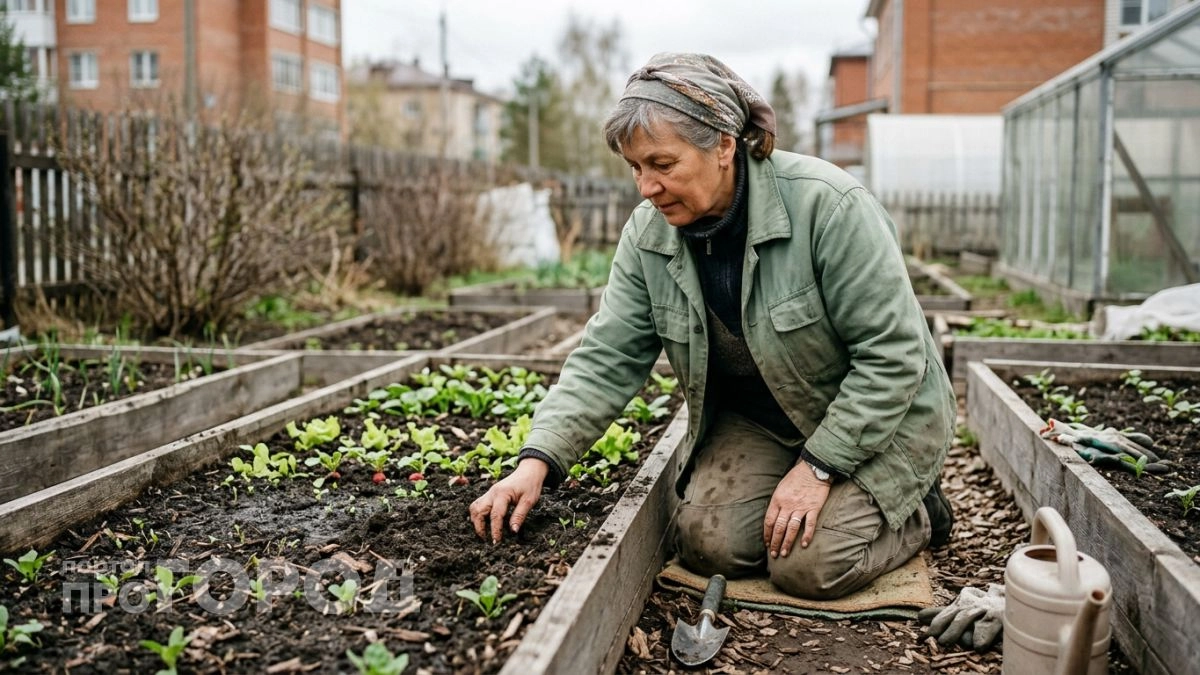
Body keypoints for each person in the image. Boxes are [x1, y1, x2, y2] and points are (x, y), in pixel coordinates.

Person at [469, 53, 956, 600]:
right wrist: (537, 460)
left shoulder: (830, 207)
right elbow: (608, 354)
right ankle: (821, 493)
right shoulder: (648, 236)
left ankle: (914, 511)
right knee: (707, 544)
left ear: (724, 146)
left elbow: (892, 356)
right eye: (635, 167)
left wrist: (817, 468)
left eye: (662, 164)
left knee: (809, 567)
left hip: (879, 419)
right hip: (767, 419)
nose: (646, 187)